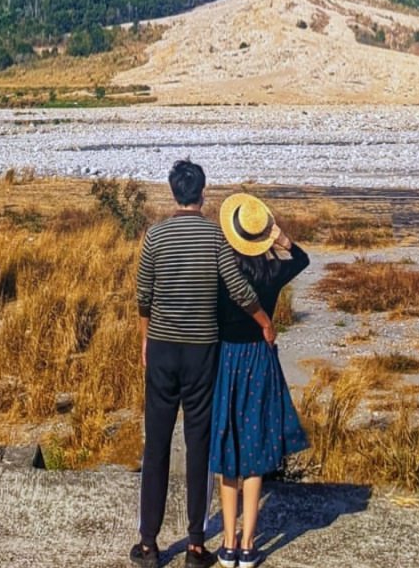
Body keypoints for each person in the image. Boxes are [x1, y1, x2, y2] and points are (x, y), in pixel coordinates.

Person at [132, 160, 277, 568]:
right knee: (199, 444)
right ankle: (196, 545)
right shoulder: (215, 236)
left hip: (161, 347)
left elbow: (144, 294)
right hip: (202, 351)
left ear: (173, 192)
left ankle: (149, 544)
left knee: (156, 444)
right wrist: (265, 322)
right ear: (202, 193)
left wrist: (145, 337)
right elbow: (239, 288)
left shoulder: (155, 236)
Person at [211, 193, 310, 568]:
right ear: (262, 236)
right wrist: (281, 239)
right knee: (253, 452)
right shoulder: (272, 272)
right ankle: (250, 544)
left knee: (228, 453)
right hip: (259, 360)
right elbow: (302, 259)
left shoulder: (223, 271)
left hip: (226, 360)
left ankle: (228, 541)